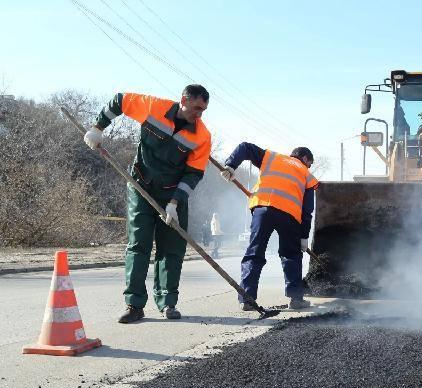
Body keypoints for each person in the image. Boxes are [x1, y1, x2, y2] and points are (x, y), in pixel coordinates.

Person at [83, 85, 211, 323]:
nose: (199, 114)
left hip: (173, 196)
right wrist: (97, 128)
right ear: (183, 100)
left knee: (172, 250)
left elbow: (193, 174)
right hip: (141, 186)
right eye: (196, 108)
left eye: (203, 110)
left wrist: (174, 203)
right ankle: (134, 305)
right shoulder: (154, 107)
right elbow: (119, 100)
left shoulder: (202, 136)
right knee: (138, 245)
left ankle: (167, 303)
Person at [221, 145, 318, 310]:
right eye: (309, 164)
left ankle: (247, 299)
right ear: (305, 159)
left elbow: (245, 147)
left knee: (254, 253)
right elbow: (307, 211)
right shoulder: (307, 175)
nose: (308, 167)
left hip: (262, 210)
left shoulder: (272, 157)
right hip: (289, 216)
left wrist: (231, 165)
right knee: (291, 255)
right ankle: (296, 299)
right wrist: (304, 236)